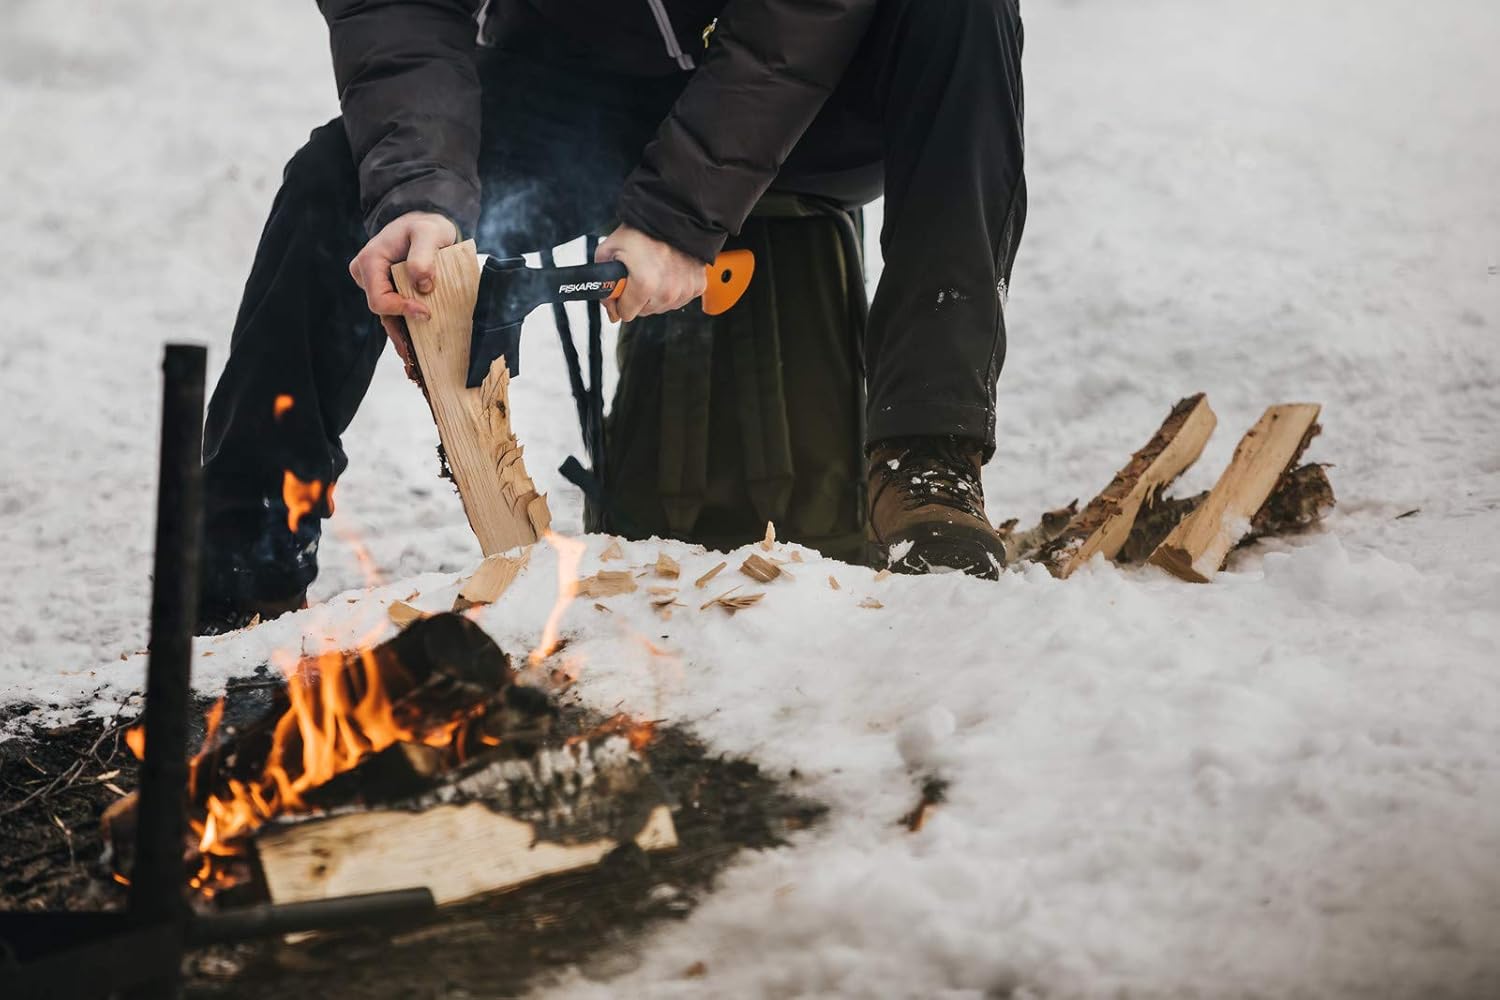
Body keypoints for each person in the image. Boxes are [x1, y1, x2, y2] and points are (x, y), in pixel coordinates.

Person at [198, 0, 1026, 633]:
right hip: (584, 95)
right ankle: (242, 586)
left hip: (824, 83)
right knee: (333, 182)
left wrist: (680, 211)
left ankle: (926, 467)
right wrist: (420, 191)